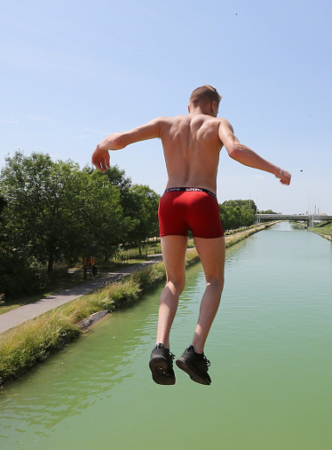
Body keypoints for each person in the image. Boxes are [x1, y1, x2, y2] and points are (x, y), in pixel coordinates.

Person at [92, 85, 291, 386]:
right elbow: (235, 150)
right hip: (201, 199)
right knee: (214, 279)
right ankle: (194, 353)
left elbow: (120, 139)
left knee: (174, 281)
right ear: (212, 106)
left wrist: (100, 145)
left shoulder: (165, 123)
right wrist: (276, 170)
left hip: (169, 200)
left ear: (189, 106)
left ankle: (161, 347)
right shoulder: (217, 124)